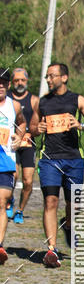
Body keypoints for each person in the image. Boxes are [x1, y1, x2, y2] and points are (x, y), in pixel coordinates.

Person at [37, 63, 84, 267]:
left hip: (73, 159)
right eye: (47, 76)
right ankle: (52, 250)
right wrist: (37, 128)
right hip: (49, 159)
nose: (48, 80)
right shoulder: (43, 102)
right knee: (50, 201)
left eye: (52, 76)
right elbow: (32, 126)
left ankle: (69, 225)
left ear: (64, 77)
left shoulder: (77, 99)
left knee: (74, 204)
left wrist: (80, 125)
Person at [0, 68, 27, 264]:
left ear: (8, 85)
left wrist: (20, 136)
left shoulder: (14, 105)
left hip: (6, 160)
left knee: (1, 203)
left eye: (3, 82)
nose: (0, 85)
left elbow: (22, 123)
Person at [7, 68, 39, 224]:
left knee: (28, 181)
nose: (19, 83)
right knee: (13, 175)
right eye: (16, 80)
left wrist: (33, 131)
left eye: (23, 80)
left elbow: (36, 125)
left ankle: (20, 210)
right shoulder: (6, 99)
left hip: (28, 143)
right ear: (11, 82)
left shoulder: (34, 100)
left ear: (27, 81)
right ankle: (9, 200)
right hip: (10, 143)